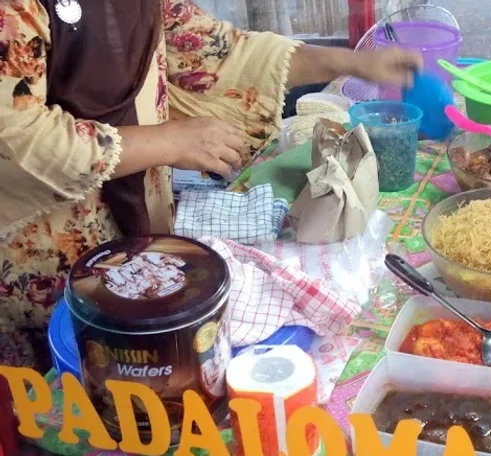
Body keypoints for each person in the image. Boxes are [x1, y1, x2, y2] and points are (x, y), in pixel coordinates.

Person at [0, 0, 422, 370]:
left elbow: (218, 52)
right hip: (42, 255)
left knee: (146, 366)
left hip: (138, 225)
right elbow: (16, 137)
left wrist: (349, 62)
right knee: (55, 386)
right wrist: (169, 140)